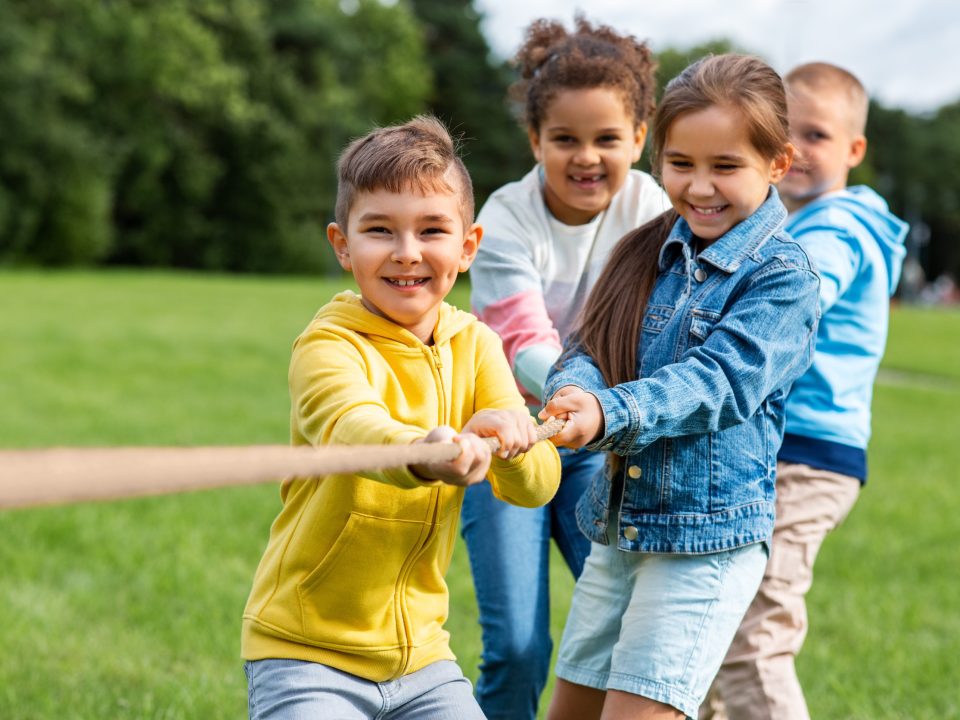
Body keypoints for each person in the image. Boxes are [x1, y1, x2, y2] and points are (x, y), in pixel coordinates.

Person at [240, 115, 562, 720]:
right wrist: (424, 449)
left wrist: (516, 441)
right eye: (380, 230)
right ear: (342, 244)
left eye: (432, 230)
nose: (407, 253)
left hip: (422, 660)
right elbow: (350, 425)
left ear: (467, 247)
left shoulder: (477, 345)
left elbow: (539, 483)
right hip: (306, 652)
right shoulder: (328, 346)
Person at [536, 54, 822, 720]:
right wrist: (574, 394)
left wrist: (608, 412)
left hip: (705, 543)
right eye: (680, 163)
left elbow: (718, 383)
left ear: (777, 164)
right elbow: (588, 349)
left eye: (725, 167)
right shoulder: (647, 247)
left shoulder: (783, 277)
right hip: (619, 529)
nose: (698, 187)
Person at [462, 16, 668, 718]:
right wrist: (586, 396)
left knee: (617, 627)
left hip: (600, 444)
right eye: (565, 140)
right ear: (534, 140)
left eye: (608, 138)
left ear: (639, 139)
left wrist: (607, 414)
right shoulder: (506, 219)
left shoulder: (656, 213)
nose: (587, 157)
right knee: (518, 645)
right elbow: (523, 340)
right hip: (509, 434)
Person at [702, 62, 908, 720]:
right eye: (783, 130)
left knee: (752, 638)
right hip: (780, 451)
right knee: (706, 631)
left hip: (807, 455)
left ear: (854, 151)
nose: (796, 148)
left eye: (816, 135)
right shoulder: (794, 221)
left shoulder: (833, 228)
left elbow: (803, 292)